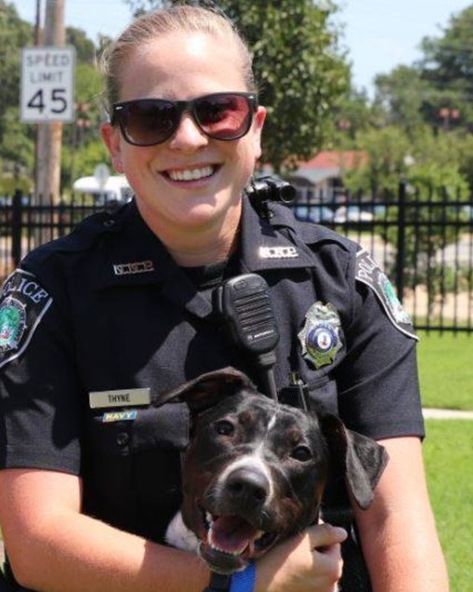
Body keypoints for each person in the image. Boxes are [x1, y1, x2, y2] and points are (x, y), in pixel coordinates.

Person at [0, 5, 449, 592]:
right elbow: (38, 542)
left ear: (255, 128)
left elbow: (396, 520)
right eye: (151, 118)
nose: (187, 139)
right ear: (115, 142)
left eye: (218, 111)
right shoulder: (52, 292)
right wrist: (237, 583)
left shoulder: (344, 283)